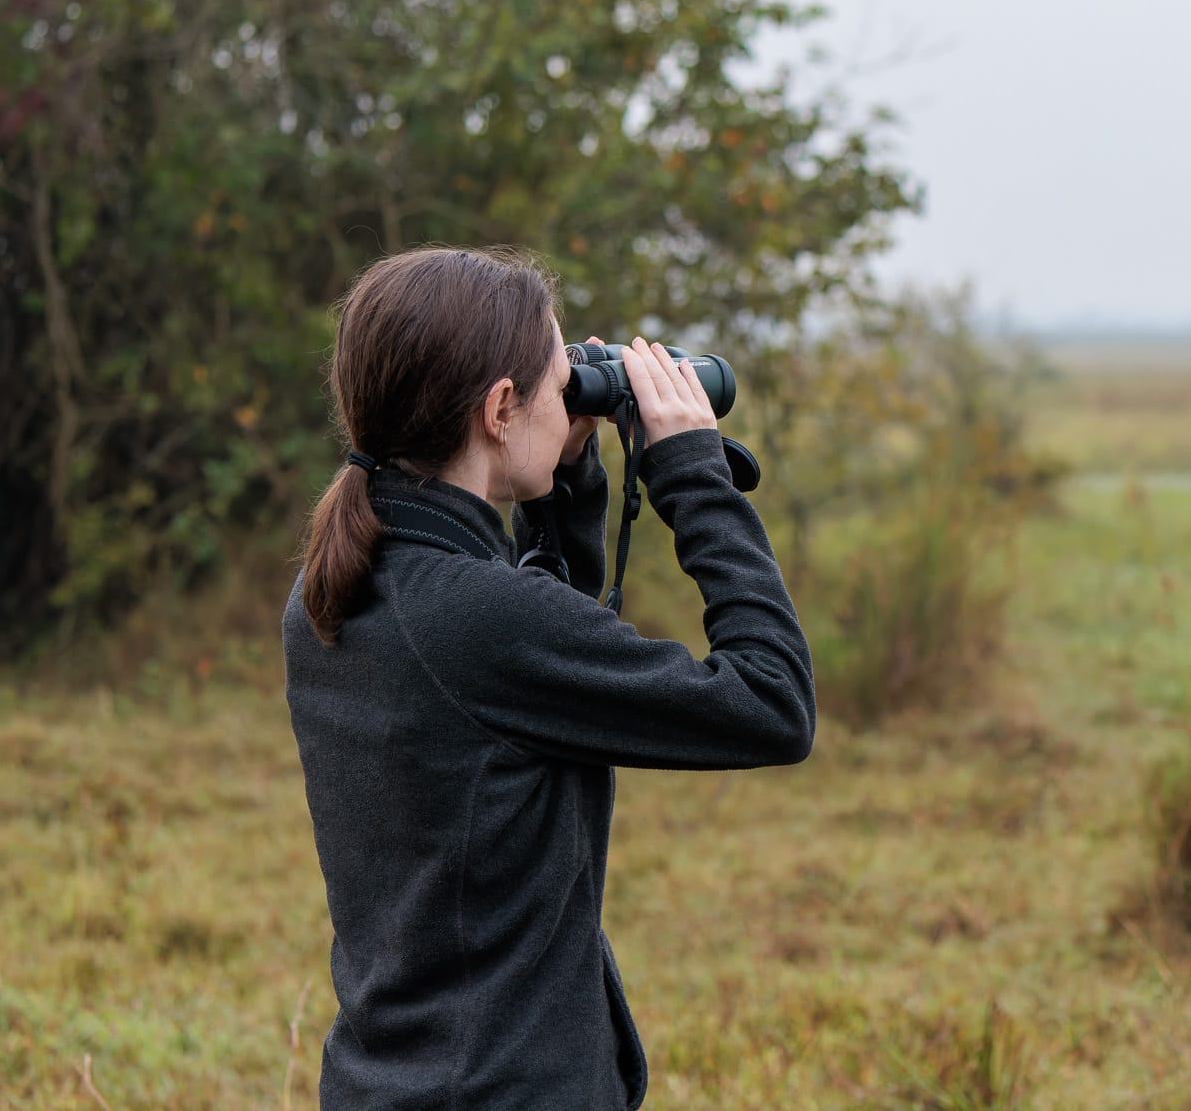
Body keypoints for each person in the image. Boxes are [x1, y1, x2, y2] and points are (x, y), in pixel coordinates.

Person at [281, 244, 814, 1109]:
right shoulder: (476, 618)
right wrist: (691, 475)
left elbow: (523, 686)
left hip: (395, 1081)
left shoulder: (335, 591)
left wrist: (563, 486)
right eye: (561, 375)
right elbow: (772, 702)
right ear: (499, 407)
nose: (575, 390)